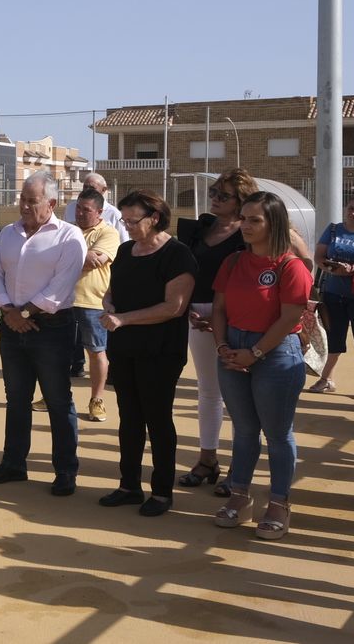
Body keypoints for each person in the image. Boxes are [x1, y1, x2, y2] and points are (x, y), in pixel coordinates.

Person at [211, 191, 311, 540]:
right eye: (244, 218)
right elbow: (219, 309)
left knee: (278, 434)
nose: (246, 226)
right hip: (232, 348)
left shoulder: (290, 266)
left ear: (274, 223)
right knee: (243, 428)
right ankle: (240, 497)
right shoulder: (233, 262)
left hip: (275, 352)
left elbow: (290, 318)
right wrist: (223, 345)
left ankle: (279, 503)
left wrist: (254, 353)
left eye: (255, 220)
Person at [0, 172, 87, 495]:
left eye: (32, 201)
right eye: (22, 199)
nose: (24, 206)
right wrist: (8, 310)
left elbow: (60, 287)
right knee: (16, 399)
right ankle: (13, 463)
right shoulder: (9, 235)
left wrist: (23, 312)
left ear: (51, 203)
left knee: (58, 400)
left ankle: (65, 471)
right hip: (13, 327)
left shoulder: (69, 236)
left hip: (52, 328)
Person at [97, 190, 196, 517]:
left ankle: (163, 492)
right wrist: (109, 304)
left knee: (157, 419)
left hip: (160, 351)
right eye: (123, 220)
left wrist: (123, 318)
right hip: (124, 349)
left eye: (132, 221)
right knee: (129, 418)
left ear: (154, 218)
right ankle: (128, 485)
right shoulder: (126, 251)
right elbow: (113, 290)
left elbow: (174, 307)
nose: (126, 227)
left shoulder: (178, 255)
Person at [176, 167, 256, 492]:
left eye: (223, 195)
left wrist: (224, 317)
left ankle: (239, 468)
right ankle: (207, 460)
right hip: (198, 314)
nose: (214, 199)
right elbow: (187, 272)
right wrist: (188, 310)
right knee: (208, 392)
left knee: (238, 396)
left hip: (236, 319)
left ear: (240, 200)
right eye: (213, 193)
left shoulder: (249, 233)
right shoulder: (203, 228)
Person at [312, 193, 354, 396]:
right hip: (333, 293)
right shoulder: (333, 229)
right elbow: (319, 256)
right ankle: (327, 379)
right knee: (334, 337)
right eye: (350, 208)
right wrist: (332, 269)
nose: (353, 213)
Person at [69, 188, 119, 421]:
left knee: (96, 352)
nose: (79, 213)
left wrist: (63, 255)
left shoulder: (108, 233)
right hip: (62, 301)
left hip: (93, 302)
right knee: (56, 351)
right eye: (78, 208)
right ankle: (53, 395)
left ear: (99, 212)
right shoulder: (66, 230)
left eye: (86, 210)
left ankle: (96, 400)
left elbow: (95, 261)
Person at [63, 171, 128, 238]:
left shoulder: (114, 214)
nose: (87, 190)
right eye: (85, 187)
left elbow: (124, 241)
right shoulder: (70, 208)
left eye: (92, 188)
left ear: (104, 190)